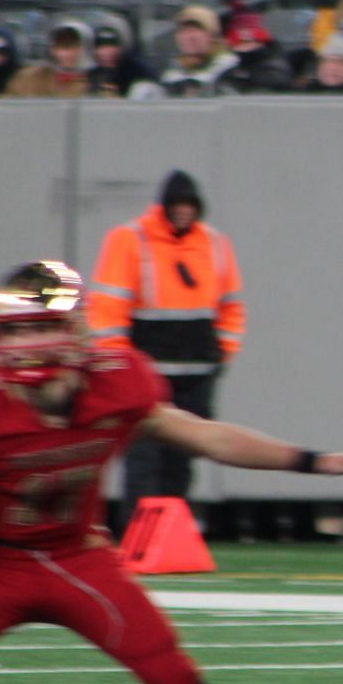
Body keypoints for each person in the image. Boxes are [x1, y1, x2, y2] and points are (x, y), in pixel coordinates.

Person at [0, 261, 343, 684]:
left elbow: (205, 436)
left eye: (41, 326)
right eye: (13, 331)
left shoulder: (120, 381)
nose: (27, 343)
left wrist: (309, 462)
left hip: (76, 556)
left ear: (78, 329)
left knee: (172, 671)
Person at [87, 171, 244, 531]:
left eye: (190, 206)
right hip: (146, 378)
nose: (184, 212)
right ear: (164, 206)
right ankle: (137, 538)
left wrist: (221, 356)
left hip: (196, 377)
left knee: (181, 463)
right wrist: (120, 367)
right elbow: (107, 310)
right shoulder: (130, 240)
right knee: (143, 460)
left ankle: (168, 540)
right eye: (178, 205)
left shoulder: (215, 244)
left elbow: (232, 306)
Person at [157, 6, 242, 97]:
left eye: (197, 30)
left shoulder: (230, 70)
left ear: (213, 36)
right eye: (184, 31)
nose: (190, 37)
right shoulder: (171, 75)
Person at [5, 21, 92, 98]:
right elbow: (6, 106)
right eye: (61, 46)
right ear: (52, 50)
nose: (67, 54)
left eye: (73, 46)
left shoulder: (95, 81)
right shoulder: (28, 78)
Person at [88, 22, 158, 99]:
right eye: (102, 46)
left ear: (121, 48)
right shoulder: (91, 74)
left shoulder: (137, 71)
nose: (107, 52)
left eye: (112, 45)